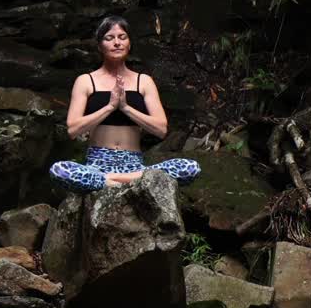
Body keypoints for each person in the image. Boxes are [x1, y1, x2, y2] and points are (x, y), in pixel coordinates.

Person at [49, 16, 201, 192]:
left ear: (129, 44)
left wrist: (125, 107)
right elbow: (73, 130)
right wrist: (110, 107)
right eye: (109, 38)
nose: (116, 43)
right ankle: (131, 183)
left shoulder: (143, 81)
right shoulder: (85, 81)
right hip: (97, 165)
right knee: (59, 170)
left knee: (191, 168)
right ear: (99, 45)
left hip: (134, 165)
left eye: (122, 37)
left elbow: (161, 129)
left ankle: (111, 181)